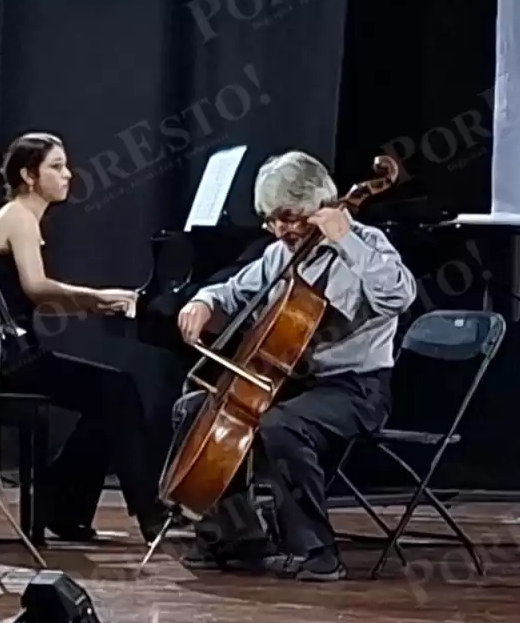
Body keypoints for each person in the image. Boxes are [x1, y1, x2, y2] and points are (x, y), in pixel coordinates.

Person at [171, 150, 417, 581]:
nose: (279, 229)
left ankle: (317, 552)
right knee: (196, 407)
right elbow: (233, 289)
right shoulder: (280, 255)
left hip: (357, 388)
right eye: (271, 220)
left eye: (288, 217)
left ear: (320, 205)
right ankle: (234, 536)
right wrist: (203, 301)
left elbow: (399, 296)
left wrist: (346, 239)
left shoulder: (367, 243)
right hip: (297, 385)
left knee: (282, 424)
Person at [0, 132, 167, 543]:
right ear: (29, 175)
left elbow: (29, 295)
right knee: (119, 391)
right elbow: (36, 288)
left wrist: (92, 304)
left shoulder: (22, 216)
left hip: (9, 350)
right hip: (4, 358)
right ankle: (148, 512)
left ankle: (61, 506)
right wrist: (96, 299)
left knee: (111, 400)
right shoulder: (19, 216)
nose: (68, 174)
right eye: (56, 166)